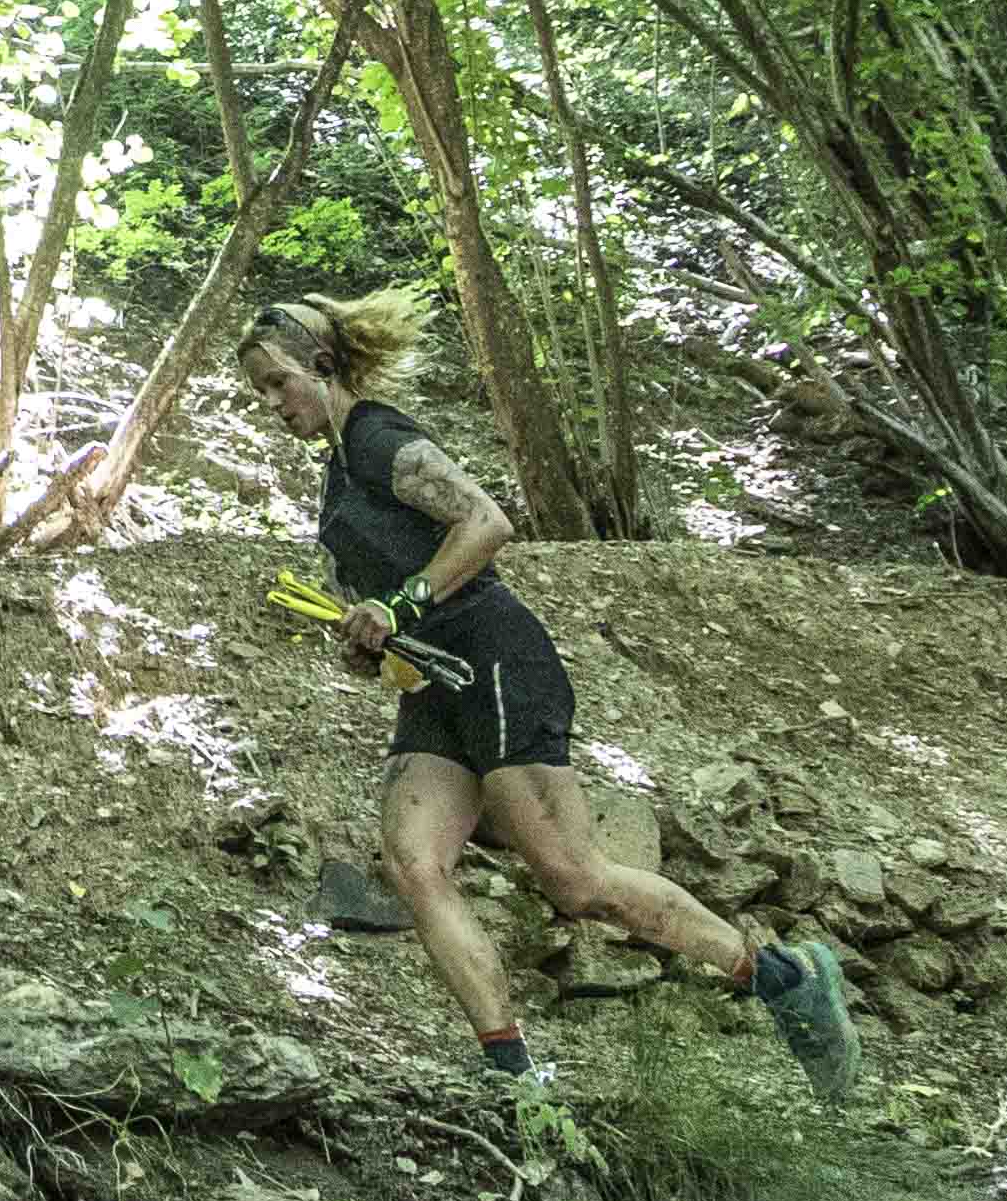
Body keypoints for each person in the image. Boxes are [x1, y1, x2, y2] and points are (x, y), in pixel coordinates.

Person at [251, 289, 866, 1109]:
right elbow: (397, 581)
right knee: (413, 861)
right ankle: (513, 1075)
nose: (272, 405)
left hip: (501, 659)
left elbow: (487, 522)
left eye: (276, 383)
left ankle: (783, 977)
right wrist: (378, 639)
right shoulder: (337, 473)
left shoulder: (379, 438)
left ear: (322, 366)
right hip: (439, 682)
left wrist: (401, 605)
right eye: (258, 392)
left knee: (576, 883)